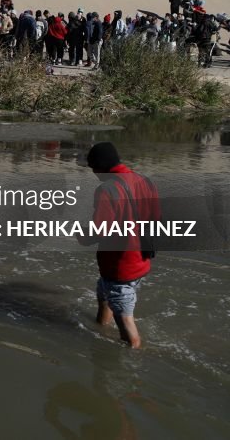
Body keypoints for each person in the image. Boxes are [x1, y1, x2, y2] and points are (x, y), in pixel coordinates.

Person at [79, 142, 161, 349]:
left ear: (101, 166)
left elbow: (100, 230)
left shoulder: (107, 189)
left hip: (120, 265)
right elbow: (156, 218)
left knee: (125, 319)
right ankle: (101, 330)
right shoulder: (144, 181)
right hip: (140, 259)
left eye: (93, 168)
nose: (94, 173)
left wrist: (81, 235)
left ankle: (132, 361)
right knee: (104, 295)